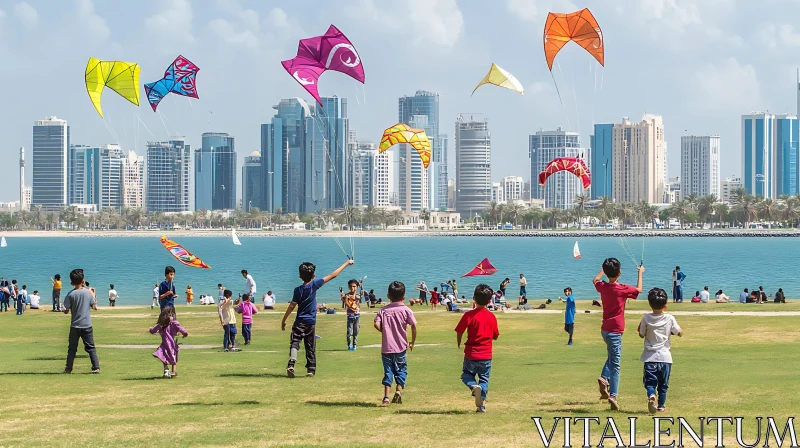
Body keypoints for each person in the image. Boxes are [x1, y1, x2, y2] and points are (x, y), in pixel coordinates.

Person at [281, 259, 354, 378]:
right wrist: (347, 263)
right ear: (313, 276)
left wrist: (283, 320)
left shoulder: (297, 290)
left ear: (300, 275)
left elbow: (291, 306)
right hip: (310, 322)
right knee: (310, 345)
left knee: (295, 342)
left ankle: (291, 364)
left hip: (299, 321)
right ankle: (311, 370)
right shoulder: (314, 284)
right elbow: (333, 275)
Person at [593, 258, 644, 411]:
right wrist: (640, 273)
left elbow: (595, 280)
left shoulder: (602, 286)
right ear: (619, 272)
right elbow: (639, 290)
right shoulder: (622, 289)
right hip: (616, 331)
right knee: (616, 364)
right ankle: (613, 395)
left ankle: (603, 378)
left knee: (611, 356)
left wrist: (603, 270)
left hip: (605, 330)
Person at [455, 284, 499, 413]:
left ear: (474, 298)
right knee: (484, 379)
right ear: (489, 301)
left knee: (466, 375)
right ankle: (481, 405)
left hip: (471, 354)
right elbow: (495, 335)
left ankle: (473, 386)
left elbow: (459, 331)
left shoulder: (469, 315)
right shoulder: (491, 317)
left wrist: (459, 342)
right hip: (486, 355)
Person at [638, 287, 682, 414]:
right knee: (663, 385)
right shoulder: (670, 318)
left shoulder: (646, 318)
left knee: (650, 382)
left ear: (650, 304)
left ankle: (651, 395)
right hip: (665, 357)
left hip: (649, 357)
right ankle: (661, 406)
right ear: (665, 306)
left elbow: (641, 334)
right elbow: (679, 332)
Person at [374, 281, 417, 406]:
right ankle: (398, 389)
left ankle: (386, 398)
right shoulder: (406, 310)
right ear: (403, 297)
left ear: (388, 295)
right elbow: (414, 326)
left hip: (387, 348)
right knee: (401, 370)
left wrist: (384, 330)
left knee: (388, 371)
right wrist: (412, 342)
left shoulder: (383, 311)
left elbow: (376, 323)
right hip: (401, 347)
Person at [62, 269, 100, 374]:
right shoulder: (88, 293)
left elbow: (65, 310)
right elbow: (95, 306)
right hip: (87, 325)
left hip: (75, 325)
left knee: (72, 348)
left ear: (71, 283)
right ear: (83, 281)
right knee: (91, 347)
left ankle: (68, 368)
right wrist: (92, 295)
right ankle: (96, 367)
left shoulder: (70, 294)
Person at [149, 305, 188, 378]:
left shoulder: (161, 324)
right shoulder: (174, 323)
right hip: (172, 343)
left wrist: (150, 329)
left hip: (164, 343)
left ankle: (166, 369)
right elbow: (183, 330)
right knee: (174, 356)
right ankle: (173, 371)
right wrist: (185, 334)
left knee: (163, 356)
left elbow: (153, 330)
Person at [341, 279, 361, 351]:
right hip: (350, 316)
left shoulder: (358, 295)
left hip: (357, 315)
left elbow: (357, 301)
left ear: (357, 287)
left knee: (356, 331)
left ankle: (355, 345)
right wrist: (344, 298)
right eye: (351, 286)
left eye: (354, 286)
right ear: (349, 287)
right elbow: (346, 303)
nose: (353, 288)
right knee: (349, 332)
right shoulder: (347, 295)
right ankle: (349, 345)